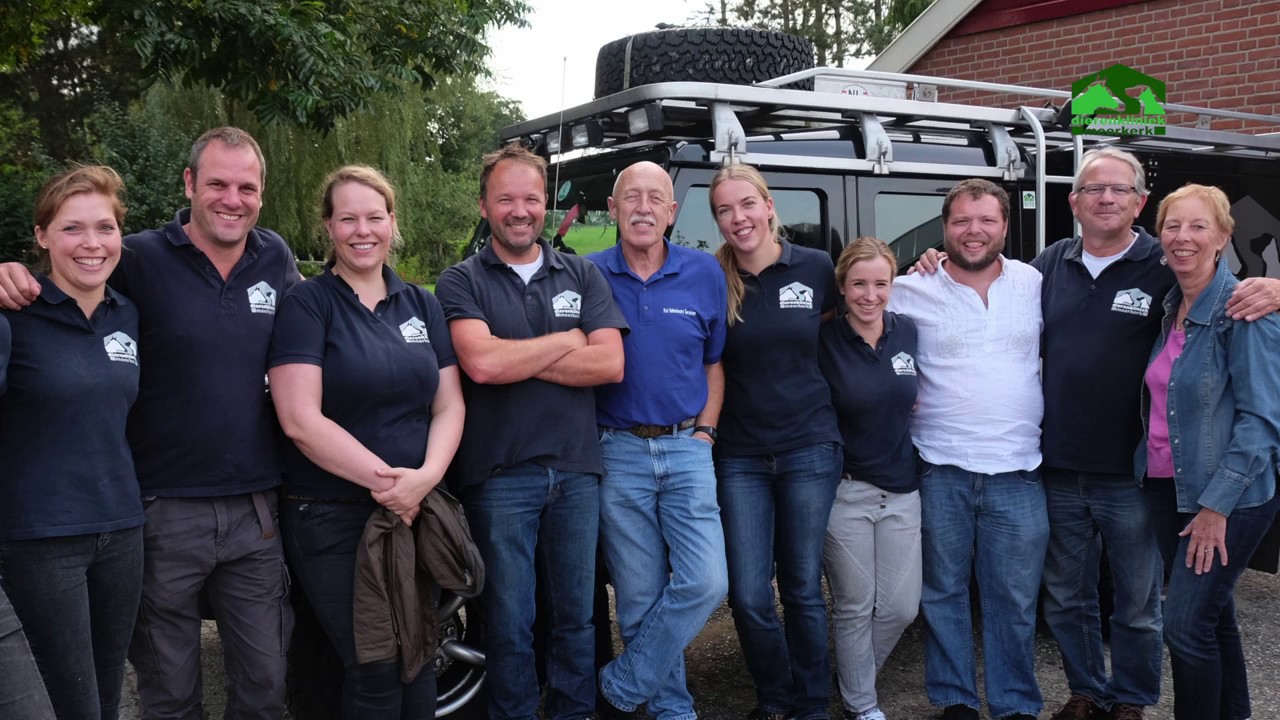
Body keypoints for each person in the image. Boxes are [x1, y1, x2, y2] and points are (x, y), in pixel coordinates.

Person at [0, 127, 301, 719]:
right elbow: (70, 278)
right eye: (216, 183)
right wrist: (7, 271)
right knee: (167, 691)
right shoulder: (138, 257)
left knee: (266, 683)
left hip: (253, 509)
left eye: (246, 187)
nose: (231, 199)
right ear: (189, 184)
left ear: (261, 194)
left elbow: (315, 339)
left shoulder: (277, 257)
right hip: (159, 509)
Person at [434, 143, 627, 720]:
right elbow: (481, 366)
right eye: (506, 199)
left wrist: (513, 355)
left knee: (577, 618)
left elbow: (610, 365)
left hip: (575, 470)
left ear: (546, 204)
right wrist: (569, 340)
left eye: (531, 199)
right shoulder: (460, 280)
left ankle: (573, 712)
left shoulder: (582, 272)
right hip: (499, 477)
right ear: (485, 205)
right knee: (509, 621)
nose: (520, 210)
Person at [267, 165, 465, 718]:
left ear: (392, 222)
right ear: (327, 227)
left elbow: (449, 404)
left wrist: (422, 481)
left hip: (413, 511)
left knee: (419, 656)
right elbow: (299, 420)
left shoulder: (422, 305)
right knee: (374, 665)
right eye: (347, 218)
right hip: (331, 515)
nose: (363, 230)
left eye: (374, 217)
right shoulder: (308, 305)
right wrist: (390, 485)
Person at [889, 179, 1046, 720]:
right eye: (961, 221)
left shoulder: (1034, 282)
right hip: (939, 466)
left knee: (1015, 600)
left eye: (985, 221)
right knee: (942, 593)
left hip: (1019, 471)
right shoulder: (910, 289)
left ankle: (1015, 703)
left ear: (1005, 226)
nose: (973, 232)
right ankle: (954, 699)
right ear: (944, 228)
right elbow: (852, 308)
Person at [0, 165, 143, 720]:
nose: (92, 244)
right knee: (70, 703)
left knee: (108, 697)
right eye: (72, 229)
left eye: (105, 228)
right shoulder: (15, 315)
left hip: (122, 532)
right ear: (41, 236)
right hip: (42, 541)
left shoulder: (125, 315)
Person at [588, 161, 729, 720]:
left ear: (672, 213)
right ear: (614, 209)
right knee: (640, 597)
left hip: (686, 447)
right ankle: (673, 710)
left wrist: (705, 433)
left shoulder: (704, 273)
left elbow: (713, 363)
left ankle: (622, 685)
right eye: (632, 197)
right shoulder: (587, 274)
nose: (643, 208)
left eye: (656, 199)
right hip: (617, 449)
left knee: (706, 581)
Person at [1139, 184, 1280, 720]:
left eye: (1199, 226)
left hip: (1229, 496)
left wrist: (1216, 506)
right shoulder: (1172, 303)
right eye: (1173, 226)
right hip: (1168, 488)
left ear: (1224, 236)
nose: (1183, 237)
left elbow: (1262, 421)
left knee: (1185, 626)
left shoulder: (1245, 309)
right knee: (1214, 616)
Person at [708, 163, 841, 720]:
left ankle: (811, 703)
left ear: (768, 206)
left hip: (809, 446)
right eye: (724, 210)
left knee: (803, 587)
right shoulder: (712, 277)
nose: (738, 218)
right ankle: (774, 696)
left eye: (746, 204)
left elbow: (853, 325)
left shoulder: (814, 267)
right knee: (748, 592)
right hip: (739, 455)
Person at [817, 237, 920, 720]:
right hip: (846, 492)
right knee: (856, 606)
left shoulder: (909, 332)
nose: (870, 294)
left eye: (881, 283)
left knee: (901, 607)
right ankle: (863, 705)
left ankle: (851, 679)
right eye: (858, 283)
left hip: (903, 489)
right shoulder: (824, 342)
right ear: (841, 286)